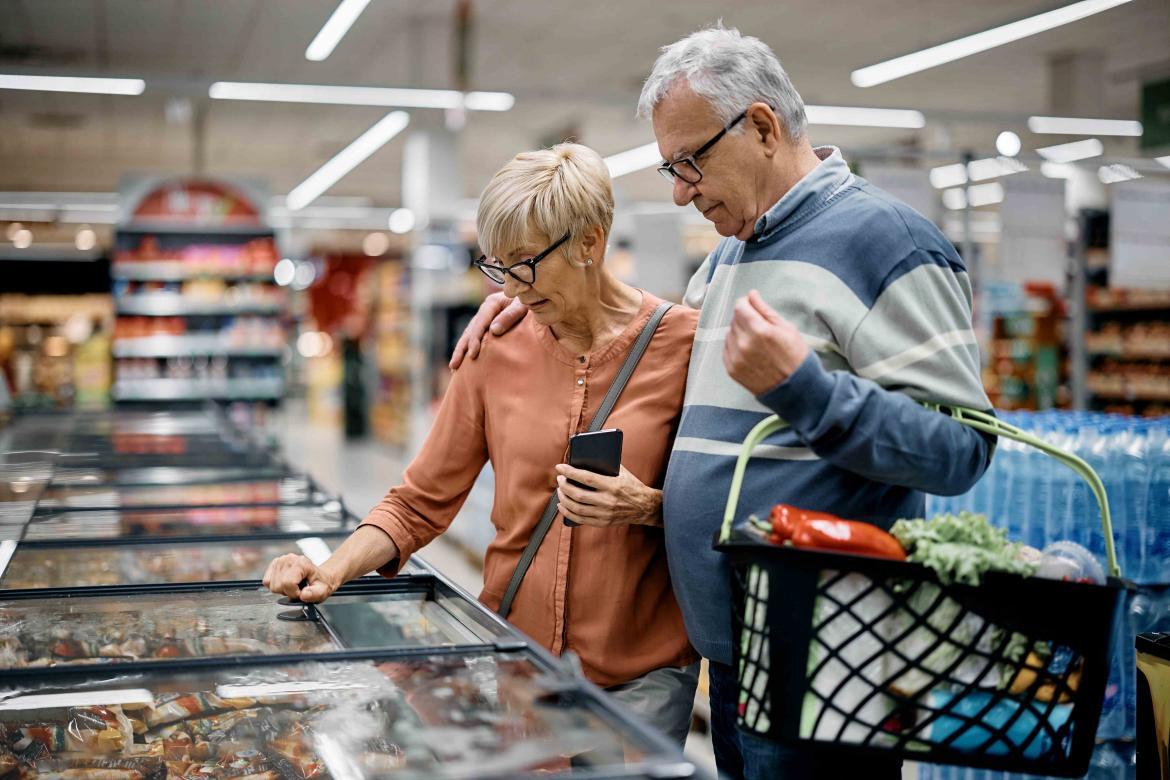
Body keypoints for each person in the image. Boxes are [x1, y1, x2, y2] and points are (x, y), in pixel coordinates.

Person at [449, 25, 995, 780]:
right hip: (732, 655)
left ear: (763, 126)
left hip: (827, 659)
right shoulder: (727, 262)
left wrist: (804, 388)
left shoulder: (890, 242)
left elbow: (962, 447)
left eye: (688, 162)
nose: (678, 190)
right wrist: (526, 298)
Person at [264, 143, 700, 746]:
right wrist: (332, 570)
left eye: (526, 262)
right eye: (498, 266)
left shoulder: (685, 348)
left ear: (590, 243)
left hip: (643, 676)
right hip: (519, 663)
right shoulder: (493, 348)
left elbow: (728, 503)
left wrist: (648, 507)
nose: (512, 287)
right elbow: (419, 501)